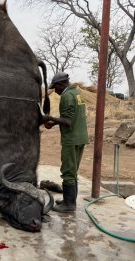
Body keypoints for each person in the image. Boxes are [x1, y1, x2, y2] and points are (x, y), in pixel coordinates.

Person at [44, 72, 89, 213]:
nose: (55, 92)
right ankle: (69, 200)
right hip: (80, 137)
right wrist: (54, 122)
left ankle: (69, 205)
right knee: (73, 170)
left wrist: (50, 117)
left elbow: (67, 121)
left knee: (68, 171)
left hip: (71, 139)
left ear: (60, 84)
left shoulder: (66, 96)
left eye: (55, 88)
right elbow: (71, 117)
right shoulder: (77, 93)